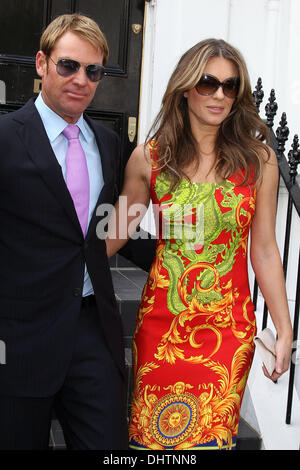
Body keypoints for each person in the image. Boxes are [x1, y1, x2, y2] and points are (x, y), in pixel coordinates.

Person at [105, 38, 293, 450]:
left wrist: (284, 329)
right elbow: (115, 231)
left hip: (228, 329)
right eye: (208, 83)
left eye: (231, 86)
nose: (220, 95)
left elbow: (263, 249)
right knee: (152, 445)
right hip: (163, 325)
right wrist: (51, 268)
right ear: (187, 87)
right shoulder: (149, 158)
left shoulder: (259, 161)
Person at [0, 13, 131, 450]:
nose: (81, 80)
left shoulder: (108, 143)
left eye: (92, 71)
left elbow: (99, 228)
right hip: (18, 338)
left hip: (92, 330)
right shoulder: (4, 137)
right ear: (41, 63)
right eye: (68, 66)